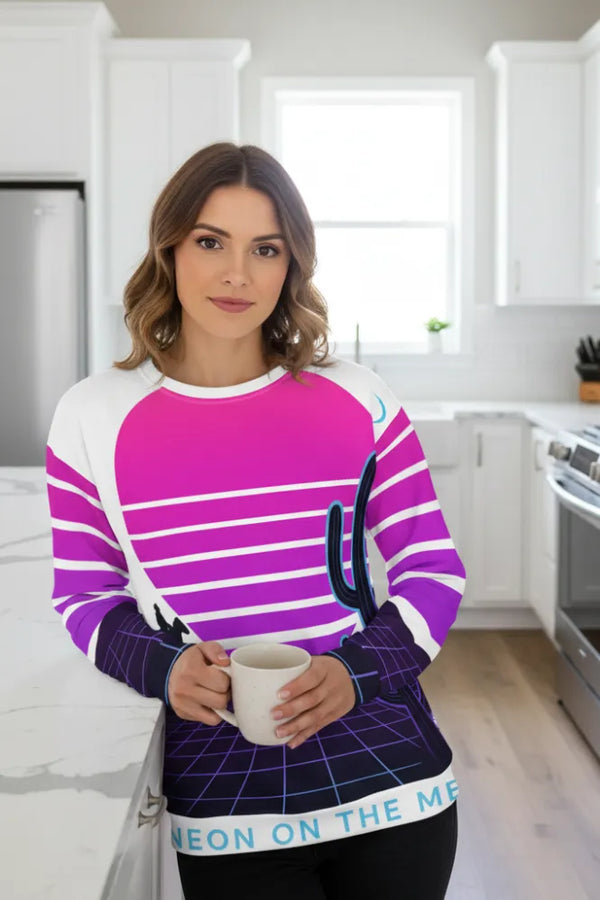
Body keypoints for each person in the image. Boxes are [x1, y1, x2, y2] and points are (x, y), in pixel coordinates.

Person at [45, 142, 466, 899]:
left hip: (395, 778)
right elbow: (85, 597)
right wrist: (166, 668)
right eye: (211, 241)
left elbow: (433, 568)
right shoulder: (91, 415)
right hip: (226, 796)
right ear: (169, 248)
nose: (237, 273)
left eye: (264, 248)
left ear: (290, 265)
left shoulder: (359, 396)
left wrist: (355, 671)